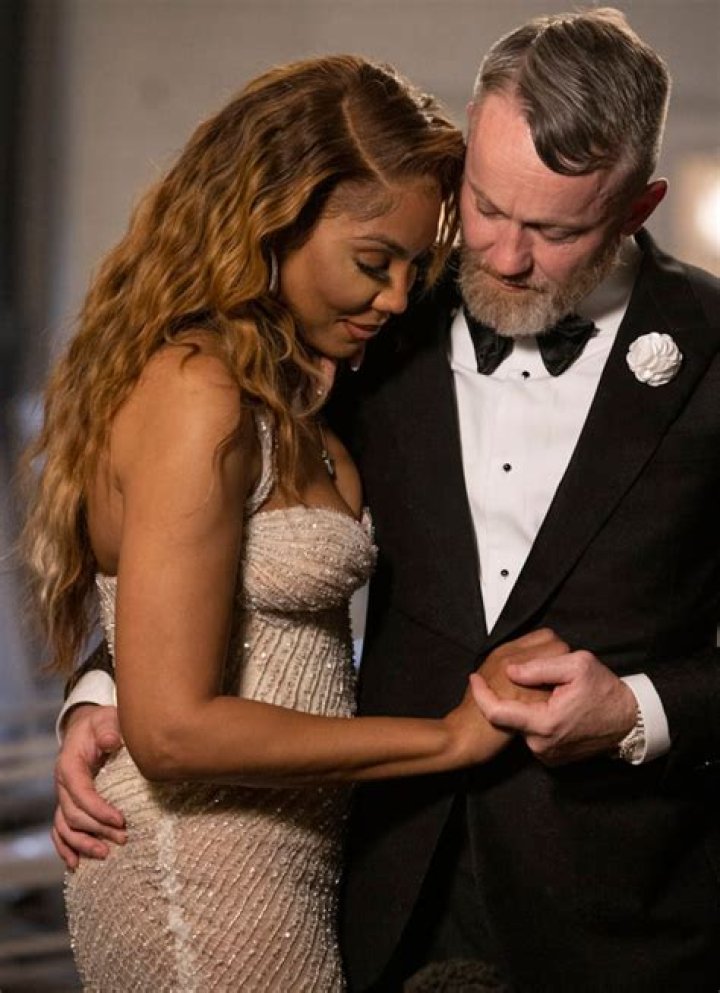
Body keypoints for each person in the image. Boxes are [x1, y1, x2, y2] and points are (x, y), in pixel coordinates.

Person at [51, 8, 720, 991]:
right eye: (484, 205)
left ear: (637, 206)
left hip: (626, 920)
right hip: (375, 888)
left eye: (554, 230)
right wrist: (104, 688)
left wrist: (638, 708)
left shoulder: (711, 344)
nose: (502, 256)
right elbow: (220, 525)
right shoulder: (376, 310)